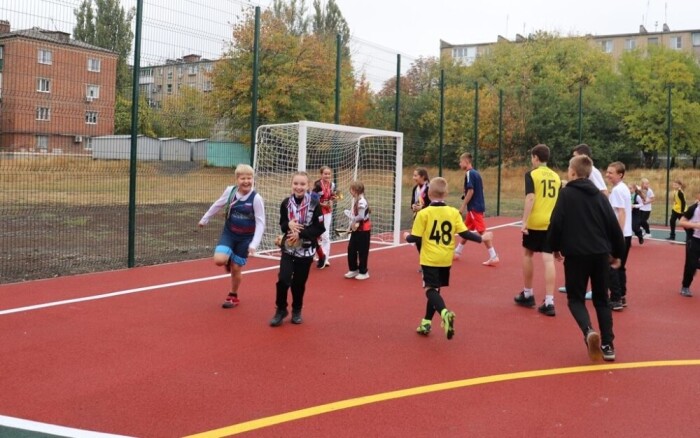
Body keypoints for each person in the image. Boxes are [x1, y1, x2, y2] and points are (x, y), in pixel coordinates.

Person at [548, 155, 626, 362]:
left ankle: (588, 330)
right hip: (600, 254)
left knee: (575, 298)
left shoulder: (566, 195)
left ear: (572, 172)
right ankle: (608, 345)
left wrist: (555, 248)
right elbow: (613, 227)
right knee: (602, 299)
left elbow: (556, 223)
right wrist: (618, 255)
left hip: (576, 254)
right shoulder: (600, 197)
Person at [404, 177, 492, 340]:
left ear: (429, 194)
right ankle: (426, 322)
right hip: (446, 258)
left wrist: (406, 236)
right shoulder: (453, 212)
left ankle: (445, 313)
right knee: (436, 290)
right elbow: (465, 233)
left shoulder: (424, 213)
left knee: (429, 290)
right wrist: (482, 238)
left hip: (430, 258)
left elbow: (415, 238)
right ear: (446, 193)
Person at [198, 164, 265, 309]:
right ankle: (228, 257)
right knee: (219, 260)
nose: (246, 181)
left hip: (245, 238)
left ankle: (233, 295)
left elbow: (260, 222)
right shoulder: (230, 192)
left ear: (253, 179)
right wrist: (205, 219)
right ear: (237, 179)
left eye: (249, 178)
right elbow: (218, 205)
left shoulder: (256, 198)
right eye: (243, 178)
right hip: (229, 233)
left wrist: (254, 244)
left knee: (236, 268)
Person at [270, 171, 325, 326]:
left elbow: (320, 228)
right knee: (283, 280)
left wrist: (301, 234)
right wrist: (288, 225)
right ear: (291, 185)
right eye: (296, 183)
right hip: (288, 249)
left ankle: (297, 309)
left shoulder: (315, 205)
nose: (299, 187)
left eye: (302, 184)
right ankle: (281, 309)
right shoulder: (285, 203)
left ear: (308, 186)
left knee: (298, 283)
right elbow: (282, 224)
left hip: (306, 251)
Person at [514, 144, 561, 316]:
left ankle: (528, 293)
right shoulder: (556, 177)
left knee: (528, 254)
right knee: (548, 260)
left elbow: (531, 197)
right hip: (551, 222)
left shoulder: (531, 174)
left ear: (535, 157)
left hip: (536, 221)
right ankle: (549, 301)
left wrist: (524, 221)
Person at [559, 144, 608, 295]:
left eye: (574, 155)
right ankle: (572, 283)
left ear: (582, 156)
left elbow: (603, 192)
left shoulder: (592, 171)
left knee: (588, 250)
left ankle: (595, 289)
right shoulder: (581, 172)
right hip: (583, 213)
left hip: (591, 216)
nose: (572, 158)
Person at [454, 152, 499, 266]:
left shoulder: (469, 173)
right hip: (477, 206)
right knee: (465, 230)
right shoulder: (476, 173)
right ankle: (457, 252)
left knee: (482, 231)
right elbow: (478, 190)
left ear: (466, 162)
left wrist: (463, 205)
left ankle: (493, 255)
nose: (459, 164)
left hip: (474, 207)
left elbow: (471, 191)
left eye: (460, 162)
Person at [606, 161, 633, 311]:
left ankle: (615, 299)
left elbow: (621, 213)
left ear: (620, 174)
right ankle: (621, 296)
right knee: (620, 266)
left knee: (612, 265)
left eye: (611, 172)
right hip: (626, 234)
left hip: (621, 235)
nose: (607, 175)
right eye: (608, 172)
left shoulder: (617, 191)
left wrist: (618, 235)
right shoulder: (623, 188)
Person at [343, 181, 372, 280]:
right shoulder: (357, 200)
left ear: (355, 190)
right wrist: (350, 226)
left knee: (362, 251)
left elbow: (360, 216)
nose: (350, 191)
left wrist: (349, 215)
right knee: (351, 249)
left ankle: (363, 271)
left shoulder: (361, 201)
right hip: (357, 229)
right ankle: (353, 269)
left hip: (364, 230)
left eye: (351, 189)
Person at [312, 166, 336, 269]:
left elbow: (332, 196)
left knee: (326, 235)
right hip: (318, 213)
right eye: (325, 174)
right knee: (316, 234)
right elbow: (313, 200)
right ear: (321, 174)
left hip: (328, 213)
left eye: (329, 174)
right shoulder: (317, 185)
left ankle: (325, 258)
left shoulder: (332, 185)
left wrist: (332, 200)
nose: (327, 176)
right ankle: (312, 253)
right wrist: (323, 205)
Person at [679, 188, 700, 297]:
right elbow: (681, 222)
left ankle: (696, 264)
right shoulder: (693, 208)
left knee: (694, 264)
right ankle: (685, 286)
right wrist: (696, 225)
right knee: (691, 265)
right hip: (694, 240)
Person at [410, 167, 431, 256]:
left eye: (416, 176)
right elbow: (412, 202)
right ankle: (423, 261)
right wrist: (413, 206)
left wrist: (422, 208)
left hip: (428, 218)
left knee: (427, 240)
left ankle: (430, 261)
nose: (413, 178)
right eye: (413, 175)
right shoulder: (415, 188)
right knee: (418, 239)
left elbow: (432, 204)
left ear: (423, 177)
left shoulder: (430, 188)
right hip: (418, 218)